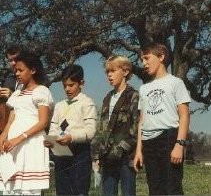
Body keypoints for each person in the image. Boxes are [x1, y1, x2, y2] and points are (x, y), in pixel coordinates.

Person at [133, 43, 191, 195]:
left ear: (161, 57)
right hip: (148, 142)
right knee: (155, 189)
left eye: (146, 58)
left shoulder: (175, 83)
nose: (143, 63)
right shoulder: (144, 88)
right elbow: (141, 121)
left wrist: (179, 144)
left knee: (172, 188)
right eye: (141, 60)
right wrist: (139, 150)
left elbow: (184, 115)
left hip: (168, 139)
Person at [0, 49, 54, 195]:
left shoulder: (41, 91)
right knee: (11, 189)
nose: (17, 73)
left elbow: (42, 122)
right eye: (16, 70)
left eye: (21, 70)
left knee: (28, 190)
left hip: (31, 144)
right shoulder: (16, 94)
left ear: (33, 70)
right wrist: (3, 136)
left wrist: (19, 138)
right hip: (13, 145)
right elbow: (11, 120)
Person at [44, 64, 97, 196]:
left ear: (81, 83)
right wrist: (51, 140)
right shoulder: (59, 105)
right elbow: (54, 127)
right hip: (61, 155)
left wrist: (72, 137)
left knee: (79, 191)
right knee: (62, 191)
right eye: (64, 85)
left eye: (71, 85)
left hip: (80, 155)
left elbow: (90, 131)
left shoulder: (87, 103)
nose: (67, 89)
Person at [91, 55, 139, 196]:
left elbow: (136, 129)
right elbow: (102, 128)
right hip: (107, 156)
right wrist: (96, 151)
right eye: (107, 72)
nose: (109, 75)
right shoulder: (107, 97)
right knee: (108, 192)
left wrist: (120, 149)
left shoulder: (133, 96)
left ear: (125, 72)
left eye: (113, 71)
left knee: (128, 192)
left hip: (126, 157)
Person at [0, 44, 23, 132]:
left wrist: (12, 95)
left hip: (23, 126)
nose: (13, 63)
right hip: (6, 125)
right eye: (10, 60)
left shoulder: (32, 78)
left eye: (16, 59)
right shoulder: (8, 79)